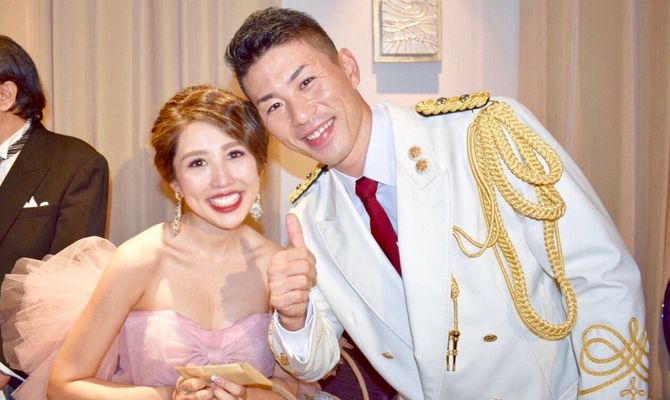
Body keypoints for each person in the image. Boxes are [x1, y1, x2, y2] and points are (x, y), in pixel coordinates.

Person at [225, 7, 650, 400]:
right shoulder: (310, 217)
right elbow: (315, 363)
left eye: (306, 82)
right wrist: (294, 316)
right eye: (274, 105)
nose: (300, 115)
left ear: (348, 68)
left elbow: (601, 275)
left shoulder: (483, 135)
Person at [0, 85, 317, 400]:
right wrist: (169, 396)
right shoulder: (138, 260)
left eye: (234, 154)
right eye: (198, 163)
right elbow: (63, 385)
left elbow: (292, 387)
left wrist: (247, 395)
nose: (222, 180)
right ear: (174, 181)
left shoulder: (278, 265)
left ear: (259, 163)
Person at [0, 35, 109, 396]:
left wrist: (5, 369)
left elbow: (65, 290)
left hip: (16, 374)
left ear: (5, 95)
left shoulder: (77, 164)